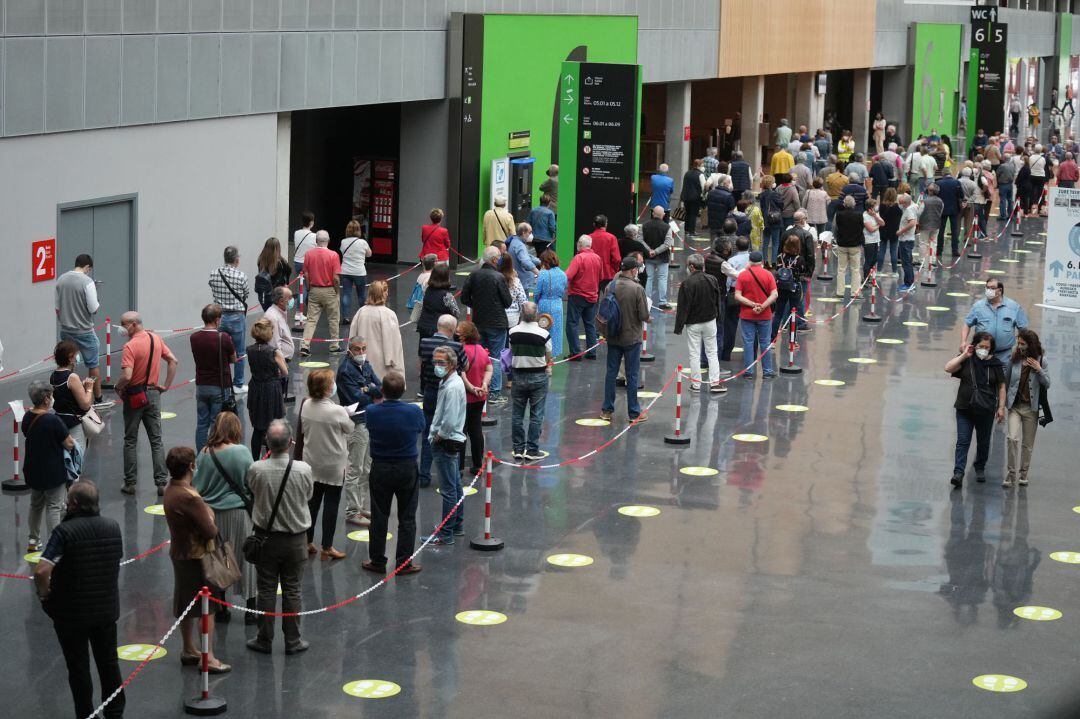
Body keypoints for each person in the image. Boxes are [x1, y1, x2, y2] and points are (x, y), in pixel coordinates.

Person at [33, 480, 125, 719]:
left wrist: (45, 595)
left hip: (72, 614)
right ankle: (115, 712)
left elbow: (42, 570)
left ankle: (86, 713)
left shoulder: (64, 532)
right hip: (106, 610)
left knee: (78, 668)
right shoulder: (113, 527)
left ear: (73, 504)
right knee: (109, 664)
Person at [244, 420, 314, 655]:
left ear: (267, 444)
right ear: (290, 442)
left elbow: (252, 490)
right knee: (292, 589)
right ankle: (293, 641)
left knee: (266, 590)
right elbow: (308, 495)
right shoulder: (303, 469)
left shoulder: (256, 469)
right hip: (296, 540)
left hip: (266, 539)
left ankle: (264, 639)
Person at [162, 446, 230, 673]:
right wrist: (209, 513)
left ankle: (188, 648)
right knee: (207, 607)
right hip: (198, 556)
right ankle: (208, 656)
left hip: (179, 553)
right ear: (192, 466)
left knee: (184, 602)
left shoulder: (171, 489)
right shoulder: (190, 496)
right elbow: (210, 530)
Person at [192, 412, 257, 624]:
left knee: (217, 561)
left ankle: (221, 607)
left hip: (211, 517)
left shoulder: (204, 453)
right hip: (239, 515)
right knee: (246, 560)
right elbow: (251, 482)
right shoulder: (241, 452)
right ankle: (251, 609)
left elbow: (197, 487)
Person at [362, 372, 424, 575]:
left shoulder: (372, 411)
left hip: (380, 467)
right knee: (408, 517)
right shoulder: (414, 411)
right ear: (403, 390)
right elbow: (421, 428)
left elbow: (369, 424)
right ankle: (404, 562)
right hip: (406, 467)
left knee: (379, 516)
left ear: (382, 390)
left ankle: (377, 560)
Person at [115, 311, 178, 496]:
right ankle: (161, 483)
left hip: (134, 396)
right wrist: (165, 385)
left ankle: (130, 483)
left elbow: (127, 375)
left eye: (124, 324)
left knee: (130, 440)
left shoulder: (130, 347)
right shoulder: (155, 339)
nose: (122, 328)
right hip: (153, 394)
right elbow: (173, 360)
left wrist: (118, 388)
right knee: (156, 440)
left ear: (134, 324)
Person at [297, 368, 352, 560]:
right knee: (331, 504)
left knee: (311, 503)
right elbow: (349, 428)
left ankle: (308, 541)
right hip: (333, 465)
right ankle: (327, 545)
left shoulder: (305, 405)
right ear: (328, 388)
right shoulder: (337, 411)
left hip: (312, 461)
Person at [945, 333, 1006, 488]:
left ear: (991, 349)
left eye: (987, 347)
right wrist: (965, 354)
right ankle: (958, 472)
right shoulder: (967, 360)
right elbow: (948, 368)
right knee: (963, 441)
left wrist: (1001, 408)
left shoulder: (995, 364)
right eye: (981, 346)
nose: (983, 350)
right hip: (964, 408)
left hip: (986, 410)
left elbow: (1001, 386)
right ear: (974, 345)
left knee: (983, 442)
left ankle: (979, 467)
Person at [22, 380, 74, 552]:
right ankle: (55, 543)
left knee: (35, 505)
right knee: (54, 506)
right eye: (51, 396)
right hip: (53, 472)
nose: (52, 399)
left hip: (33, 470)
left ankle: (33, 540)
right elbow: (69, 444)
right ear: (46, 399)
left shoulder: (27, 418)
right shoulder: (53, 421)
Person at [417, 314, 467, 489]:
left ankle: (423, 475)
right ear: (452, 329)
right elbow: (465, 366)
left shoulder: (424, 343)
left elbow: (421, 365)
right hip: (445, 390)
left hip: (430, 391)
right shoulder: (456, 346)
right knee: (453, 431)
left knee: (427, 432)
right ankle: (455, 474)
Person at [336, 337, 381, 528]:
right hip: (356, 424)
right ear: (349, 350)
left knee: (366, 468)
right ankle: (352, 510)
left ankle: (361, 506)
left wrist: (368, 389)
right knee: (355, 468)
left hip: (369, 421)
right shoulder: (345, 371)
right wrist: (371, 390)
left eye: (364, 348)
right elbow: (356, 397)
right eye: (357, 349)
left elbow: (379, 387)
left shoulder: (367, 366)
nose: (361, 352)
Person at [600, 256, 651, 422]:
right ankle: (634, 412)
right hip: (631, 338)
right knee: (632, 375)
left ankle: (607, 411)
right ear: (633, 270)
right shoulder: (637, 289)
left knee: (611, 373)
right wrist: (648, 319)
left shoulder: (610, 286)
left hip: (613, 336)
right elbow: (643, 315)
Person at [461, 246, 512, 403]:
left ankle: (478, 385)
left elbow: (464, 298)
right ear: (495, 259)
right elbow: (507, 302)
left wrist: (476, 305)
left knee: (479, 354)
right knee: (495, 358)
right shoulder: (499, 277)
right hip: (497, 323)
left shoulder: (473, 275)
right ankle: (494, 392)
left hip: (479, 321)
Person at [55, 254, 106, 406]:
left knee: (67, 362)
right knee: (93, 364)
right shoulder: (87, 281)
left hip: (65, 330)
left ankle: (69, 395)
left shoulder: (61, 279)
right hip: (84, 331)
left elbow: (57, 309)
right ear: (87, 267)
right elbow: (93, 308)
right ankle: (98, 399)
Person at [1003, 329, 1050, 488]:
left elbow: (1047, 383)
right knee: (1012, 438)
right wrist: (1001, 406)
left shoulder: (1041, 360)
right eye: (1019, 343)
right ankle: (1010, 475)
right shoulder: (1014, 358)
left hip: (1032, 409)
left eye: (1023, 344)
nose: (1019, 346)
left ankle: (1023, 474)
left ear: (1031, 345)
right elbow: (1007, 381)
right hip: (1015, 407)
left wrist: (1039, 369)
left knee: (1027, 445)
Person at [674, 254, 724, 393]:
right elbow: (717, 301)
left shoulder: (687, 283)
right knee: (712, 352)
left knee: (694, 354)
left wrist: (678, 327)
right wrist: (718, 317)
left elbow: (683, 307)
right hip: (710, 321)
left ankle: (696, 384)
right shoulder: (712, 279)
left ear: (691, 266)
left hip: (693, 323)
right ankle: (715, 383)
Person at [190, 304, 237, 452]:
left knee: (202, 423)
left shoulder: (194, 337)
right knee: (216, 423)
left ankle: (201, 455)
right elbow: (233, 359)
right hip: (219, 386)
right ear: (217, 320)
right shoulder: (224, 338)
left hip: (201, 386)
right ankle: (212, 454)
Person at [508, 302, 552, 460]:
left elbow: (511, 350)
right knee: (536, 414)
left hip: (518, 376)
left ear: (522, 314)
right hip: (538, 376)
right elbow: (548, 354)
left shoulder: (512, 332)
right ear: (536, 315)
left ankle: (518, 449)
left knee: (517, 414)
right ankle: (532, 449)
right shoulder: (543, 334)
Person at [208, 245, 249, 393]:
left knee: (218, 349)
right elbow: (245, 294)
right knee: (239, 351)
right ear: (237, 260)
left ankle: (219, 380)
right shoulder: (241, 276)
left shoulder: (213, 274)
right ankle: (238, 384)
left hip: (218, 317)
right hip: (237, 316)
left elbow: (212, 287)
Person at [349, 280, 406, 385]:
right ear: (382, 294)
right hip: (383, 364)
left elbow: (352, 337)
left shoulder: (361, 312)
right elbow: (394, 343)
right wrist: (392, 362)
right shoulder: (389, 314)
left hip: (362, 359)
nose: (387, 294)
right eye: (386, 291)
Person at [246, 318, 287, 459]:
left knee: (257, 428)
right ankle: (270, 458)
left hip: (256, 388)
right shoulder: (273, 351)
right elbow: (285, 372)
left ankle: (254, 459)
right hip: (271, 390)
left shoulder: (249, 350)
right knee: (271, 427)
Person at [962, 278, 1029, 364]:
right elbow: (967, 324)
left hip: (1005, 355)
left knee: (1002, 376)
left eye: (992, 288)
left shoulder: (1014, 307)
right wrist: (963, 341)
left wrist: (1020, 348)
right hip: (981, 353)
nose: (989, 290)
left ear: (1000, 290)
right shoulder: (978, 307)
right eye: (987, 288)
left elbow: (1023, 329)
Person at [49, 340, 95, 466]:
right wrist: (89, 388)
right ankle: (73, 485)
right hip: (73, 422)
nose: (77, 358)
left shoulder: (53, 375)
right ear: (70, 358)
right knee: (76, 459)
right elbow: (85, 404)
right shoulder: (72, 377)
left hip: (60, 419)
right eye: (76, 355)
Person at [734, 251, 778, 379]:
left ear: (750, 261)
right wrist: (763, 306)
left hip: (747, 314)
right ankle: (768, 371)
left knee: (748, 342)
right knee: (765, 342)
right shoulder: (768, 274)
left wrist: (753, 305)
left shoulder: (743, 275)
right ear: (762, 261)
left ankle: (749, 371)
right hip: (765, 315)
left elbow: (737, 295)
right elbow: (774, 294)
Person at [456, 321, 491, 476]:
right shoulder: (481, 350)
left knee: (461, 431)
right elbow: (489, 368)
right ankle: (478, 465)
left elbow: (462, 372)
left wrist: (471, 388)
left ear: (463, 335)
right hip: (479, 398)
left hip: (464, 397)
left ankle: (459, 467)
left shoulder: (460, 350)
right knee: (476, 430)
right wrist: (483, 385)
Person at [299, 231, 342, 356]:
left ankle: (305, 346)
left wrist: (309, 288)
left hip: (314, 289)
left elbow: (306, 274)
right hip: (329, 290)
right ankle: (334, 345)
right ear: (328, 241)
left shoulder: (308, 254)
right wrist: (337, 292)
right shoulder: (334, 255)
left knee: (311, 320)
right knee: (333, 319)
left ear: (316, 241)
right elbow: (336, 278)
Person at [565, 236, 603, 361]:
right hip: (592, 296)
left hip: (577, 295)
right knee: (590, 324)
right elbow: (601, 277)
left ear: (580, 244)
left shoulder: (579, 258)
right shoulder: (597, 258)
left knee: (572, 324)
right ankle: (592, 352)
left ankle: (576, 353)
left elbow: (568, 276)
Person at [770, 234, 807, 338]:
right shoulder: (800, 259)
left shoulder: (779, 257)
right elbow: (803, 271)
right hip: (794, 288)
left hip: (781, 288)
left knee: (778, 314)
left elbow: (776, 270)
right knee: (793, 314)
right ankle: (792, 340)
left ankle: (772, 339)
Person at [535, 250, 567, 357]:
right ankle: (552, 357)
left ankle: (543, 356)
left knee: (544, 331)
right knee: (556, 332)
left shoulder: (543, 273)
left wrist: (536, 302)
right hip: (558, 304)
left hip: (545, 304)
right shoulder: (563, 274)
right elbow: (563, 290)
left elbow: (537, 292)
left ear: (545, 261)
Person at [416, 264, 462, 340]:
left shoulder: (427, 290)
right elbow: (456, 313)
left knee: (424, 349)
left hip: (424, 326)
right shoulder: (447, 295)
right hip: (439, 329)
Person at [641, 205, 674, 310]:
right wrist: (656, 251)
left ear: (652, 214)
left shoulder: (644, 225)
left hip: (648, 258)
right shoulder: (667, 227)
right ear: (663, 215)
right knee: (662, 279)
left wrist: (649, 251)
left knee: (649, 278)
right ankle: (662, 302)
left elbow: (640, 240)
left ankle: (646, 301)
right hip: (662, 258)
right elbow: (668, 243)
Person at [264, 286, 295, 397]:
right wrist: (281, 365)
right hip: (279, 362)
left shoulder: (281, 312)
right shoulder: (273, 317)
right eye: (290, 297)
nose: (292, 300)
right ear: (281, 301)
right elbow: (274, 345)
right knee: (277, 396)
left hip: (283, 360)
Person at [339, 220, 372, 323]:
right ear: (359, 230)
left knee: (346, 294)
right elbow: (369, 254)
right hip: (359, 272)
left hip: (345, 271)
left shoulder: (343, 242)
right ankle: (363, 316)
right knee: (361, 295)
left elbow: (341, 251)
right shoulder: (363, 242)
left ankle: (345, 317)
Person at [832, 196, 865, 298]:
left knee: (841, 269)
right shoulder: (859, 215)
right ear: (854, 204)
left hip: (842, 244)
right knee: (855, 269)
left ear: (844, 204)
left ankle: (840, 292)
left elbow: (835, 228)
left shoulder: (839, 215)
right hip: (855, 245)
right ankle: (855, 293)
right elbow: (861, 228)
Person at [256, 237, 292, 311]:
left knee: (269, 315)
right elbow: (289, 271)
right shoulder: (281, 262)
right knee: (278, 317)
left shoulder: (261, 260)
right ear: (278, 248)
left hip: (265, 294)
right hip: (278, 294)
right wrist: (286, 283)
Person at [589, 215, 623, 291]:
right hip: (608, 273)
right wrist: (614, 270)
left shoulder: (588, 238)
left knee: (593, 300)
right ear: (606, 224)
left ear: (594, 224)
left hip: (593, 273)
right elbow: (617, 258)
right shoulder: (611, 238)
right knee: (609, 299)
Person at [507, 222, 541, 293]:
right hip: (524, 284)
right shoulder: (519, 245)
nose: (531, 235)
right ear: (523, 233)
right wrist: (540, 274)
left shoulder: (515, 242)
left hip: (521, 282)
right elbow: (526, 262)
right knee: (528, 303)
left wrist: (541, 261)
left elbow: (528, 256)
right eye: (530, 232)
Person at [936, 171, 962, 257]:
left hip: (942, 209)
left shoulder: (938, 183)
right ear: (951, 174)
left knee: (941, 230)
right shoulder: (957, 182)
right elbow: (961, 195)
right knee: (954, 231)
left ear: (943, 175)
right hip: (954, 209)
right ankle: (955, 250)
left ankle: (939, 250)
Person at [757, 175, 782, 263]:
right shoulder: (774, 194)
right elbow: (781, 204)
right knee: (775, 242)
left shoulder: (762, 195)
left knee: (765, 242)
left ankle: (765, 261)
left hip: (765, 221)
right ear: (772, 184)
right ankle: (774, 262)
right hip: (775, 220)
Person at [876, 188, 902, 276]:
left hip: (883, 229)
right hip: (894, 231)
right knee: (893, 251)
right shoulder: (897, 207)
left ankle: (879, 270)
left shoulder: (882, 206)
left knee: (882, 250)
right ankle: (894, 271)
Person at [896, 193, 919, 291]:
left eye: (901, 203)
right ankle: (909, 283)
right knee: (907, 262)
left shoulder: (909, 210)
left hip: (905, 240)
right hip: (908, 239)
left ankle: (908, 284)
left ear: (906, 203)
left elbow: (912, 222)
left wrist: (901, 231)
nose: (900, 205)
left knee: (906, 263)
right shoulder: (913, 206)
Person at [407, 253, 438, 324]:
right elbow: (428, 294)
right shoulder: (430, 277)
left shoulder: (421, 275)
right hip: (424, 307)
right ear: (434, 263)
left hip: (417, 304)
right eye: (437, 261)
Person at [917, 183, 944, 264]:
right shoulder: (941, 201)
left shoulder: (924, 201)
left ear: (929, 191)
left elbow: (919, 213)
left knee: (923, 242)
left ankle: (922, 260)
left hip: (925, 224)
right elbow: (941, 212)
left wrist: (918, 222)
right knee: (933, 243)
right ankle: (932, 261)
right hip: (936, 224)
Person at [680, 159, 707, 236]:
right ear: (698, 166)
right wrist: (704, 197)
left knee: (688, 213)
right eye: (702, 165)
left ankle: (686, 230)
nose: (703, 167)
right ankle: (692, 231)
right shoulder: (700, 175)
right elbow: (703, 187)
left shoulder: (687, 173)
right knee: (693, 214)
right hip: (695, 198)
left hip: (686, 197)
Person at [500, 255, 527, 327]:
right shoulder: (516, 281)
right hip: (513, 316)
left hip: (497, 317)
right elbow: (523, 300)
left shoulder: (494, 279)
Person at [706, 175, 736, 241]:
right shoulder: (729, 196)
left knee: (713, 243)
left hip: (712, 224)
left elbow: (707, 205)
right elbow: (732, 210)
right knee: (723, 245)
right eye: (729, 182)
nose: (730, 184)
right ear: (724, 183)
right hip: (724, 225)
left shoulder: (710, 193)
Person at [292, 210, 316, 283]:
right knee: (307, 287)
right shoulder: (314, 236)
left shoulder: (296, 233)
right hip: (308, 264)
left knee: (301, 286)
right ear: (311, 222)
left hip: (297, 263)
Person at [862, 197, 883, 281]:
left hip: (876, 240)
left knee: (875, 259)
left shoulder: (875, 214)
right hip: (868, 241)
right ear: (870, 208)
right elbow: (870, 229)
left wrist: (875, 216)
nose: (876, 207)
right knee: (869, 259)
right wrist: (878, 226)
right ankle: (865, 278)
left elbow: (883, 223)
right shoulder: (865, 216)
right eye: (875, 206)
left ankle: (869, 275)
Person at [1028, 145, 1049, 216]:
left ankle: (1029, 206)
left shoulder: (1030, 157)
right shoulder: (1043, 159)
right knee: (1040, 192)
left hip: (1032, 175)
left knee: (1031, 191)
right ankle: (1039, 207)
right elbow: (1043, 166)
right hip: (1040, 176)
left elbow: (1029, 165)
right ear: (1040, 150)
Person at [995, 154, 1017, 220]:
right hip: (1010, 184)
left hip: (1003, 184)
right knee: (1010, 200)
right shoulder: (1012, 165)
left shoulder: (1002, 166)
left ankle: (1003, 215)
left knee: (1003, 200)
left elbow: (997, 173)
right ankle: (1010, 215)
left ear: (1004, 158)